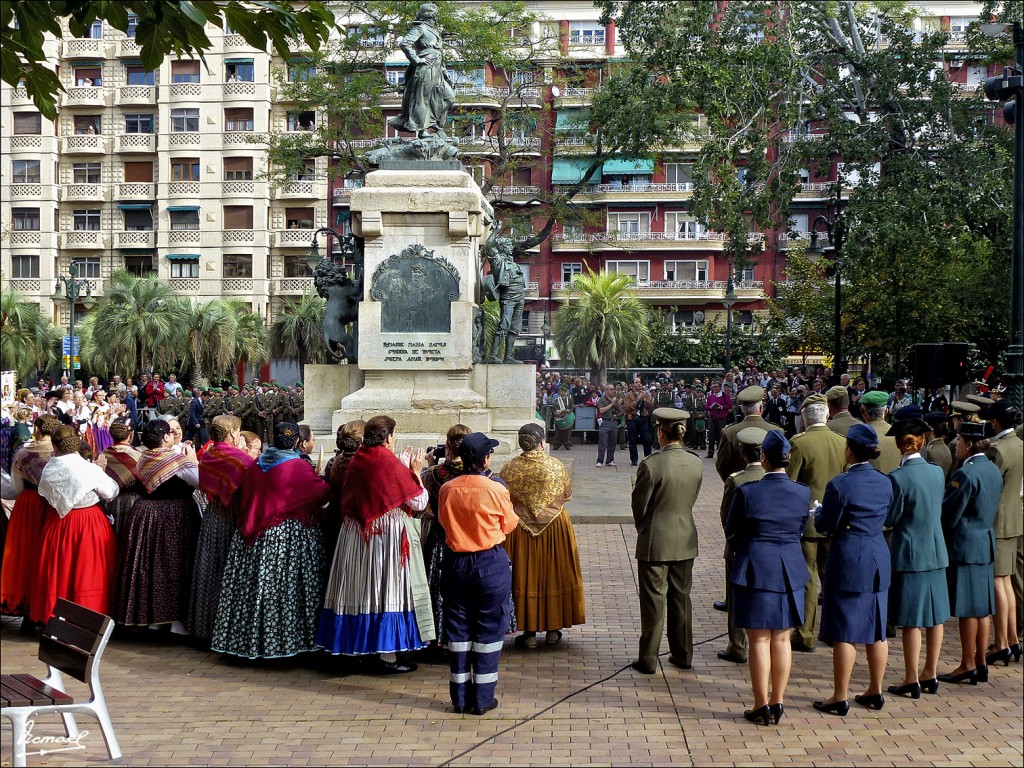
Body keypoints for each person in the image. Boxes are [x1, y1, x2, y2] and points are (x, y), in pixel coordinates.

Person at [317, 415, 431, 672]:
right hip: (383, 537)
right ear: (389, 438)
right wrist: (415, 473)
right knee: (384, 591)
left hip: (355, 535)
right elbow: (418, 502)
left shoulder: (359, 458)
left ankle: (357, 650)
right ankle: (386, 657)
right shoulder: (387, 461)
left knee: (358, 591)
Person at [212, 422, 330, 659]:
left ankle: (248, 642)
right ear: (296, 441)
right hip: (286, 537)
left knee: (253, 589)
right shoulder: (297, 466)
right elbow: (320, 492)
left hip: (254, 536)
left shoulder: (257, 464)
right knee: (286, 590)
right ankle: (286, 643)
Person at [726, 430, 810, 725]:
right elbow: (801, 527)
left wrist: (749, 548)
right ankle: (778, 700)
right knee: (782, 638)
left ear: (763, 458)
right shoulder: (802, 492)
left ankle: (760, 703)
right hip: (790, 568)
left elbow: (732, 532)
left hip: (756, 567)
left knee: (759, 639)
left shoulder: (747, 491)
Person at [813, 423, 893, 716]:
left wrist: (818, 513)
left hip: (849, 557)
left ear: (849, 451)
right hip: (877, 556)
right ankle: (875, 689)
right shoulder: (886, 482)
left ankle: (840, 695)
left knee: (844, 630)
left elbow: (826, 525)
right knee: (877, 629)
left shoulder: (840, 484)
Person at [438, 432, 518, 714]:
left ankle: (459, 698)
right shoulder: (496, 489)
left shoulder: (447, 488)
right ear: (485, 459)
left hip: (456, 562)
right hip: (489, 561)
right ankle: (483, 699)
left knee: (458, 628)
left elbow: (443, 522)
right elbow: (509, 524)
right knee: (489, 627)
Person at [630, 407, 703, 674]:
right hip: (685, 536)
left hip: (656, 538)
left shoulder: (652, 464)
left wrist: (642, 526)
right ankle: (683, 654)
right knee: (681, 598)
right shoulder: (696, 462)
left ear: (661, 432)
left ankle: (648, 658)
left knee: (653, 601)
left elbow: (639, 505)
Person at [501, 423, 585, 649]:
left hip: (520, 528)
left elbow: (505, 497)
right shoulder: (555, 465)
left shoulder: (510, 467)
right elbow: (566, 494)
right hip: (554, 527)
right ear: (541, 442)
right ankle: (553, 630)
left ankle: (529, 633)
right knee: (554, 572)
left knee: (524, 574)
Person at [884, 418, 950, 698]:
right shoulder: (936, 472)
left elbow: (891, 518)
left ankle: (911, 677)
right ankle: (930, 673)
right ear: (922, 442)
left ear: (899, 445)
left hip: (910, 554)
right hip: (936, 551)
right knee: (935, 617)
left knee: (911, 620)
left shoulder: (897, 477)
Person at [30, 426, 119, 625]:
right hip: (88, 523)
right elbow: (110, 492)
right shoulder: (88, 468)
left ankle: (58, 618)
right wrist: (100, 470)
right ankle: (88, 617)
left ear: (55, 446)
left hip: (58, 524)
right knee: (87, 571)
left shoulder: (49, 469)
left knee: (61, 570)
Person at [117, 420, 199, 633]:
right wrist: (193, 462)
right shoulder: (176, 460)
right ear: (165, 437)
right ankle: (176, 620)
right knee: (174, 565)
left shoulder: (143, 457)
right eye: (170, 432)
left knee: (148, 564)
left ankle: (151, 616)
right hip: (174, 516)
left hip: (145, 515)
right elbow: (199, 481)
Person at [938, 421, 1002, 685]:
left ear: (970, 444)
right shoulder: (992, 469)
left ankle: (967, 663)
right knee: (981, 609)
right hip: (984, 543)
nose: (955, 443)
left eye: (959, 440)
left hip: (965, 546)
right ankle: (980, 661)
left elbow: (949, 514)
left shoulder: (966, 474)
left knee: (967, 609)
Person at [786, 393, 847, 654]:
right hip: (834, 519)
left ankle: (806, 633)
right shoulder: (841, 442)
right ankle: (834, 631)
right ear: (827, 415)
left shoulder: (799, 443)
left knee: (808, 578)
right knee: (832, 577)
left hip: (808, 521)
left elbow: (790, 483)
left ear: (804, 417)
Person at [188, 415, 253, 644]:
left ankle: (205, 626)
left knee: (209, 571)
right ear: (232, 432)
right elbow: (250, 484)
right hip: (232, 517)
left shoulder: (208, 455)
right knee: (229, 572)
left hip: (212, 517)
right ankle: (227, 629)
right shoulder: (239, 459)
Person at [0, 415, 60, 621]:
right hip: (50, 505)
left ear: (37, 429)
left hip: (28, 505)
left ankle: (22, 604)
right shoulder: (59, 453)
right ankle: (43, 606)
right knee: (46, 557)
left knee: (24, 554)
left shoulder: (23, 453)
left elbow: (16, 485)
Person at [716, 428, 768, 664]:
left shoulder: (736, 479)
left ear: (743, 454)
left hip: (740, 546)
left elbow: (726, 516)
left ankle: (737, 645)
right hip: (768, 547)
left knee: (736, 595)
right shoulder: (776, 477)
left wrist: (733, 542)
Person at [419, 424, 472, 647]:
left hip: (441, 538)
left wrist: (430, 464)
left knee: (439, 589)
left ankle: (439, 635)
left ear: (448, 447)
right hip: (469, 539)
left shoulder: (433, 474)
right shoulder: (475, 473)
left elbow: (424, 497)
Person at [983, 400, 1023, 666]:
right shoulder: (1019, 444)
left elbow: (989, 485)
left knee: (999, 582)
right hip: (1014, 519)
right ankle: (1011, 639)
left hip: (998, 521)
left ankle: (1001, 642)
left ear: (995, 422)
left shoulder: (999, 450)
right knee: (1006, 582)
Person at [387, 2, 456, 138]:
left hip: (437, 69)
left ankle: (430, 120)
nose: (436, 18)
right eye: (435, 15)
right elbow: (404, 43)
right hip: (426, 68)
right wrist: (417, 60)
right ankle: (422, 129)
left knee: (449, 98)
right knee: (422, 99)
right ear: (429, 16)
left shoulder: (434, 31)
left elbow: (438, 52)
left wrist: (443, 70)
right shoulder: (420, 28)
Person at [715, 386, 771, 481]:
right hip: (769, 486)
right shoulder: (776, 431)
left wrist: (733, 482)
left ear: (742, 409)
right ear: (761, 407)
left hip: (739, 486)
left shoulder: (729, 432)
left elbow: (721, 465)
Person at [99, 420, 142, 535]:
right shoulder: (138, 455)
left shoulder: (102, 454)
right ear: (130, 434)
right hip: (134, 502)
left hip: (110, 502)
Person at [624, 377, 654, 466]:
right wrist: (637, 400)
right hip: (633, 418)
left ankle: (648, 459)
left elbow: (651, 405)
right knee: (632, 440)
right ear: (632, 384)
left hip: (643, 418)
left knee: (647, 439)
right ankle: (634, 460)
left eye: (640, 382)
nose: (639, 384)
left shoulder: (645, 393)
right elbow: (626, 408)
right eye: (637, 382)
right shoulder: (628, 395)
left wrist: (645, 401)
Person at [595, 384, 622, 467]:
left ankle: (610, 460)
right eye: (611, 389)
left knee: (612, 442)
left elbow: (620, 411)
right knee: (602, 442)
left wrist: (619, 404)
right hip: (605, 422)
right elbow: (601, 410)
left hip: (613, 421)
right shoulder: (602, 400)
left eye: (613, 389)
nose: (613, 391)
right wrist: (611, 404)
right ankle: (600, 460)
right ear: (606, 390)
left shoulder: (614, 399)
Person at [705, 380, 732, 459]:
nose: (714, 389)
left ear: (720, 387)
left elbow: (729, 405)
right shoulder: (710, 396)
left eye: (715, 387)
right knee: (711, 435)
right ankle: (710, 452)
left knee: (721, 435)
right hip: (712, 418)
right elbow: (706, 407)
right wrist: (711, 407)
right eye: (713, 387)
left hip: (721, 418)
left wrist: (721, 407)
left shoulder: (725, 396)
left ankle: (721, 453)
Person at [551, 385, 574, 450]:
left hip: (567, 417)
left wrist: (567, 410)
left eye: (563, 391)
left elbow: (572, 408)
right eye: (560, 391)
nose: (562, 392)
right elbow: (553, 408)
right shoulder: (557, 400)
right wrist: (556, 413)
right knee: (558, 432)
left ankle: (567, 444)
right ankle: (556, 445)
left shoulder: (569, 399)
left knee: (567, 432)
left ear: (566, 392)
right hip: (558, 417)